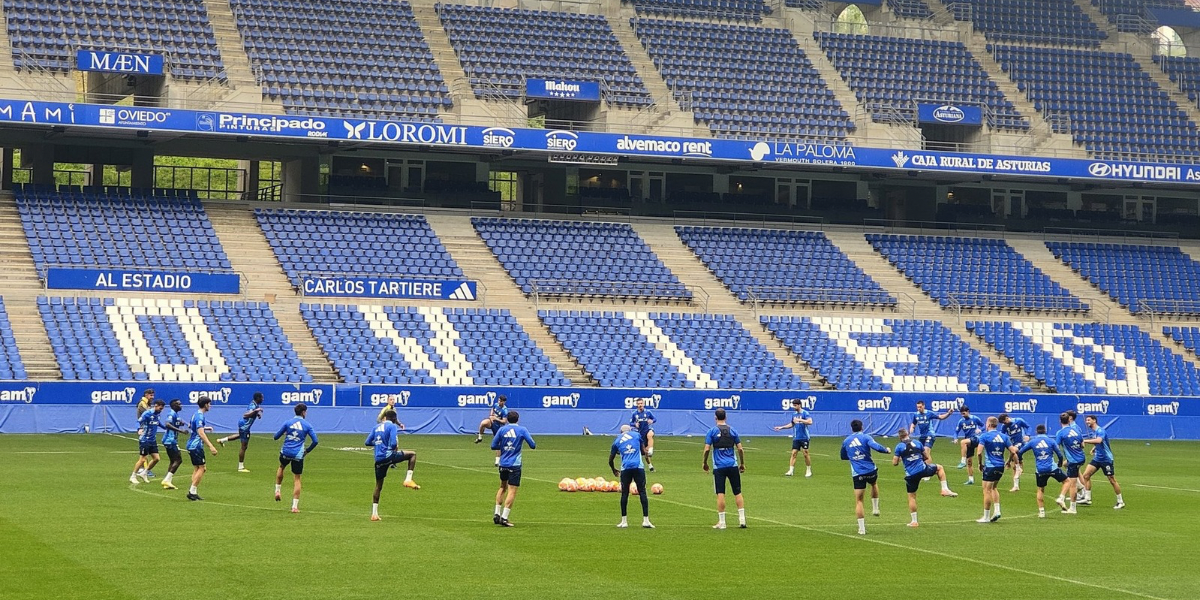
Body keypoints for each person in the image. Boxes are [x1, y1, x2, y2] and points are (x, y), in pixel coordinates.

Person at [891, 428, 957, 528]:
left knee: (912, 497)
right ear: (908, 434)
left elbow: (894, 463)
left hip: (911, 474)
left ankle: (914, 521)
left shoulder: (899, 447)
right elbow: (926, 457)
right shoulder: (917, 443)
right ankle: (944, 489)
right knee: (939, 468)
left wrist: (902, 458)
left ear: (900, 437)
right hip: (922, 469)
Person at [365, 409, 420, 522]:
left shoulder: (376, 427)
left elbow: (367, 442)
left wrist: (378, 443)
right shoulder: (392, 426)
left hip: (378, 459)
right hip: (389, 455)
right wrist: (389, 446)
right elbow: (394, 443)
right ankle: (408, 479)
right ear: (394, 419)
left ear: (385, 417)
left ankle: (374, 514)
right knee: (412, 455)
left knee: (378, 486)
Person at [840, 419, 890, 535]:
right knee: (874, 484)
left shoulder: (846, 441)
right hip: (871, 469)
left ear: (851, 428)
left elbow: (843, 456)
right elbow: (876, 447)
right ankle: (875, 508)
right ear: (862, 427)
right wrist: (886, 450)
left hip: (858, 473)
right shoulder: (866, 437)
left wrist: (854, 457)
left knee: (859, 501)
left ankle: (861, 529)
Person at [702, 408, 746, 529]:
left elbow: (706, 449)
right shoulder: (733, 430)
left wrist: (704, 463)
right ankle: (742, 520)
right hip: (733, 465)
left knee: (720, 493)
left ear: (715, 417)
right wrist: (742, 463)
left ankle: (722, 522)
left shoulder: (712, 431)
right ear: (726, 417)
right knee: (737, 492)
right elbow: (740, 449)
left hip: (719, 467)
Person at [491, 410, 536, 527]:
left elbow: (493, 445)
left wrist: (505, 447)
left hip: (503, 463)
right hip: (514, 464)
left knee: (502, 487)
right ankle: (504, 517)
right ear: (518, 419)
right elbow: (533, 445)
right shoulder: (522, 430)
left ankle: (496, 514)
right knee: (512, 490)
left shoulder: (502, 430)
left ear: (507, 419)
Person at [273, 403, 318, 513]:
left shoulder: (288, 423)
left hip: (286, 451)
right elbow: (315, 441)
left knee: (281, 467)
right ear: (303, 412)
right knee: (297, 478)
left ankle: (277, 491)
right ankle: (294, 506)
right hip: (298, 454)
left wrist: (285, 433)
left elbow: (275, 437)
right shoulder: (307, 425)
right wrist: (307, 451)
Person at [1018, 424, 1068, 518]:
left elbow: (1020, 452)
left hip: (1040, 470)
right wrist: (1060, 463)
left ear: (1036, 432)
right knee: (1066, 481)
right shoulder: (1051, 441)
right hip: (1052, 467)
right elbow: (1059, 454)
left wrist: (1020, 461)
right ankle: (1061, 498)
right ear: (1045, 431)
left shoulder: (1033, 442)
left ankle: (1041, 512)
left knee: (1040, 489)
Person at [975, 416, 1019, 523]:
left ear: (989, 424)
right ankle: (997, 510)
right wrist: (1008, 461)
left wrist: (980, 464)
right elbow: (1013, 451)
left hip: (990, 466)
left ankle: (986, 516)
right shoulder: (1004, 436)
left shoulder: (984, 436)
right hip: (1000, 466)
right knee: (994, 488)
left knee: (986, 490)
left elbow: (979, 452)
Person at [609, 425, 653, 529]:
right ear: (630, 430)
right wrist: (647, 453)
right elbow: (643, 451)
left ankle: (624, 521)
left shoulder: (616, 441)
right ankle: (646, 520)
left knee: (625, 493)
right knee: (642, 492)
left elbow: (610, 459)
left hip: (625, 469)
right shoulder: (637, 435)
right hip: (638, 467)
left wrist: (614, 470)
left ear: (620, 432)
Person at [1081, 415, 1125, 510]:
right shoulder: (1095, 432)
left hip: (1106, 459)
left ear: (1094, 420)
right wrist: (1094, 448)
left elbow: (1099, 440)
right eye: (1086, 420)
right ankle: (1087, 498)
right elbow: (1100, 443)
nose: (1087, 422)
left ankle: (1120, 501)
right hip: (1097, 458)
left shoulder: (1100, 431)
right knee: (1086, 475)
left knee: (1112, 480)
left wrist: (1085, 441)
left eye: (1088, 420)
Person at [217, 392, 264, 473]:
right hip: (244, 426)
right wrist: (256, 411)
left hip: (243, 425)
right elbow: (245, 415)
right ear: (258, 398)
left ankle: (222, 440)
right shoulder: (253, 405)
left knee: (240, 435)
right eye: (262, 398)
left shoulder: (255, 404)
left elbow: (252, 413)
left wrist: (257, 414)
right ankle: (241, 467)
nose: (263, 399)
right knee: (244, 446)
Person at [186, 396, 219, 501]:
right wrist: (211, 446)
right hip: (196, 445)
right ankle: (192, 490)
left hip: (191, 444)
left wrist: (205, 428)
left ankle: (193, 492)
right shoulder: (200, 416)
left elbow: (191, 426)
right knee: (202, 468)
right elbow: (200, 433)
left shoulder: (195, 414)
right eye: (209, 404)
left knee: (197, 468)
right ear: (205, 404)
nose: (210, 406)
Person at [773, 398, 813, 477]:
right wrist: (781, 427)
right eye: (793, 405)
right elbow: (792, 424)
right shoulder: (794, 414)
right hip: (796, 437)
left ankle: (808, 470)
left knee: (805, 453)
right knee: (794, 453)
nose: (794, 407)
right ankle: (791, 470)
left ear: (799, 405)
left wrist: (800, 420)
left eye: (795, 405)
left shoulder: (805, 413)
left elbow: (810, 422)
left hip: (804, 437)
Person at [1054, 411, 1084, 514]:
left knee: (1072, 484)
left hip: (1073, 460)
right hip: (1081, 457)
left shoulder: (1060, 433)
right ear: (1069, 420)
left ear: (1060, 421)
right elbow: (1082, 445)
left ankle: (1072, 508)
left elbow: (1056, 447)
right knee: (1065, 465)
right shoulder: (1076, 430)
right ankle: (1079, 486)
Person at [130, 399, 165, 484]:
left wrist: (165, 427)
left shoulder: (157, 414)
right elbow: (138, 422)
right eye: (160, 408)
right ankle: (133, 476)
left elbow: (158, 422)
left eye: (162, 409)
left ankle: (144, 473)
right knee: (142, 459)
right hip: (145, 439)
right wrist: (139, 429)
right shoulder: (147, 413)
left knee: (156, 459)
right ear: (156, 406)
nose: (161, 410)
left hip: (152, 440)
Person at [159, 399, 190, 490]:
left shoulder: (175, 415)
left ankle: (168, 482)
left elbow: (177, 421)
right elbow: (167, 424)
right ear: (174, 405)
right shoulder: (171, 414)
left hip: (170, 440)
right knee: (178, 460)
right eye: (179, 404)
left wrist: (185, 424)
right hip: (170, 440)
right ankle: (166, 480)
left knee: (173, 461)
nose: (181, 406)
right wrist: (180, 430)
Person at [953, 406, 985, 485]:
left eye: (964, 413)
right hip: (969, 441)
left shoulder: (975, 418)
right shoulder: (961, 421)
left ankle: (962, 461)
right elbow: (956, 432)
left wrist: (980, 430)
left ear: (968, 411)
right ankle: (971, 479)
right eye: (961, 414)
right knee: (969, 462)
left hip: (976, 438)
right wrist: (955, 438)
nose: (963, 415)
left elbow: (984, 426)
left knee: (963, 442)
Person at [998, 413, 1031, 492]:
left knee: (1013, 451)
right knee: (1014, 466)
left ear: (1007, 418)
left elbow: (1028, 427)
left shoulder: (1018, 421)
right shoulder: (1004, 426)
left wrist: (1028, 435)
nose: (1004, 424)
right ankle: (1016, 485)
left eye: (1004, 422)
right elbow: (1002, 435)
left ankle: (1016, 466)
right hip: (1013, 444)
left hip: (1021, 443)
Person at [476, 395, 509, 467]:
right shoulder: (496, 405)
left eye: (501, 401)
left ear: (504, 402)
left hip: (499, 426)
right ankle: (480, 437)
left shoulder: (505, 410)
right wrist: (491, 415)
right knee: (483, 423)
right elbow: (492, 409)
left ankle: (497, 461)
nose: (499, 402)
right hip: (492, 422)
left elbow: (504, 421)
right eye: (499, 400)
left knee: (498, 444)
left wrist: (495, 418)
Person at [630, 398, 657, 472]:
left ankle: (651, 449)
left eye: (641, 403)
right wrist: (635, 424)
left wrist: (652, 421)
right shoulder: (634, 414)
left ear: (643, 404)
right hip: (640, 434)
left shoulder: (648, 412)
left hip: (648, 430)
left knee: (650, 434)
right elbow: (631, 423)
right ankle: (650, 466)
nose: (640, 405)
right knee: (644, 452)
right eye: (638, 404)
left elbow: (654, 419)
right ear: (636, 405)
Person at [135, 388, 156, 478]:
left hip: (146, 428)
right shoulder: (143, 403)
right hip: (143, 429)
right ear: (146, 395)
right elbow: (148, 414)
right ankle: (145, 470)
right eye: (151, 395)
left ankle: (143, 469)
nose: (152, 397)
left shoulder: (147, 403)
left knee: (145, 451)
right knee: (145, 451)